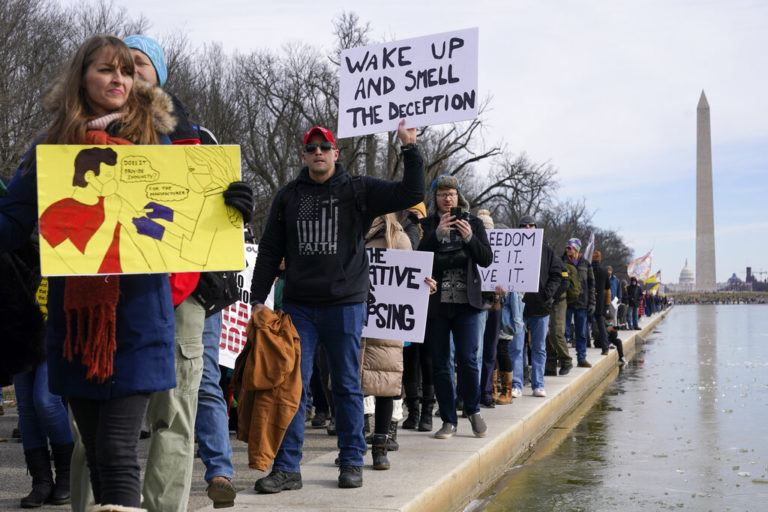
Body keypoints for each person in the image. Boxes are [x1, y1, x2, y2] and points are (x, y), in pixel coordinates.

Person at [0, 35, 176, 511]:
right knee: (97, 453)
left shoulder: (156, 144)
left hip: (136, 320)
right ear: (83, 76)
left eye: (125, 70)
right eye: (105, 69)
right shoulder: (49, 149)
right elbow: (12, 224)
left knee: (118, 451)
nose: (118, 79)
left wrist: (228, 206)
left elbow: (186, 221)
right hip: (75, 326)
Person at [248, 121, 424, 491]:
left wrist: (409, 149)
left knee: (346, 385)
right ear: (303, 155)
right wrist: (257, 301)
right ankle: (288, 469)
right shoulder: (287, 196)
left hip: (345, 304)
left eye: (323, 148)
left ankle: (350, 461)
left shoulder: (358, 189)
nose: (317, 153)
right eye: (311, 148)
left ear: (335, 153)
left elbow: (412, 191)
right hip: (298, 307)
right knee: (291, 388)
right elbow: (268, 251)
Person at [122, 34, 248, 511]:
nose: (129, 73)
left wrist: (238, 207)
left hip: (181, 292)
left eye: (138, 63)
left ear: (158, 75)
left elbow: (218, 215)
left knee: (177, 411)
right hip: (109, 293)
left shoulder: (197, 137)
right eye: (118, 64)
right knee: (96, 418)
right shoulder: (87, 133)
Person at [418, 175, 493, 440]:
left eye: (451, 194)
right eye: (441, 194)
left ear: (458, 196)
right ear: (434, 198)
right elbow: (418, 259)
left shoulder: (473, 222)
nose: (447, 199)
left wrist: (470, 237)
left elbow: (486, 259)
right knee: (440, 364)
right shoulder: (426, 225)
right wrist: (437, 235)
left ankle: (472, 411)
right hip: (437, 305)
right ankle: (448, 419)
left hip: (467, 304)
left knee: (468, 360)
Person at [519, 215, 561, 397]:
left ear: (536, 228)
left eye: (531, 225)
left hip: (540, 306)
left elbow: (557, 274)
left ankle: (538, 384)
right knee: (516, 347)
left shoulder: (547, 250)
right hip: (518, 307)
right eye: (524, 225)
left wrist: (547, 294)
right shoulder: (513, 248)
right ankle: (517, 384)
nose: (528, 228)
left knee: (539, 348)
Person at [563, 238, 596, 368]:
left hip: (582, 303)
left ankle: (581, 358)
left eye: (569, 248)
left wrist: (592, 302)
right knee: (563, 332)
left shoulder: (586, 264)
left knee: (581, 333)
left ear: (576, 249)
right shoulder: (562, 262)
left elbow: (592, 285)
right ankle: (564, 358)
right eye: (567, 247)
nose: (567, 250)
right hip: (566, 302)